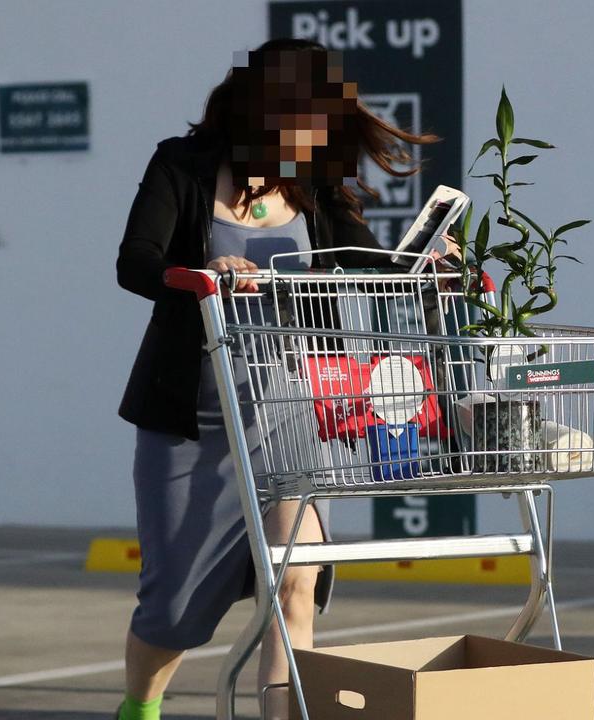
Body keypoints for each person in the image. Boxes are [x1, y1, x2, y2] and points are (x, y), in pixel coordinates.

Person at [113, 38, 452, 720]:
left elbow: (360, 264)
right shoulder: (182, 165)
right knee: (173, 610)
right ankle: (140, 707)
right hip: (193, 419)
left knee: (296, 582)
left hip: (289, 410)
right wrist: (201, 279)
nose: (314, 140)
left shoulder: (314, 184)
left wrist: (422, 268)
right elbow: (135, 261)